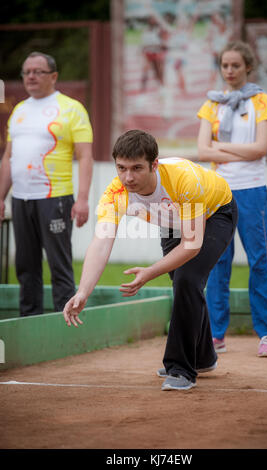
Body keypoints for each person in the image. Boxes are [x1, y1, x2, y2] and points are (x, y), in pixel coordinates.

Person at [63, 129, 238, 391]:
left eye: (136, 168)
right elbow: (101, 243)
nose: (128, 177)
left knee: (187, 279)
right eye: (121, 168)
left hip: (216, 213)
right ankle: (203, 358)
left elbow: (191, 245)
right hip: (171, 222)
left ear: (154, 164)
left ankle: (181, 369)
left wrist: (149, 272)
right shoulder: (116, 193)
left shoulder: (182, 179)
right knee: (184, 284)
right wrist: (83, 291)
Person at [197, 40, 267, 357]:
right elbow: (203, 152)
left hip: (252, 190)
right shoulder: (211, 104)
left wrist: (220, 150)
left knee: (259, 260)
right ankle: (217, 335)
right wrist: (223, 152)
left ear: (248, 67)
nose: (229, 71)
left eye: (235, 65)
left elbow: (261, 149)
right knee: (217, 263)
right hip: (217, 192)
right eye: (225, 65)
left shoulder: (260, 101)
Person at [0, 51, 93, 316]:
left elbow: (85, 156)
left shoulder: (72, 108)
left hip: (56, 199)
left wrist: (83, 199)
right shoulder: (18, 110)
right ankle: (30, 323)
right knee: (25, 267)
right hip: (21, 199)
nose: (30, 76)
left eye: (37, 71)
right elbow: (8, 157)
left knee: (59, 266)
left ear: (53, 76)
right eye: (26, 71)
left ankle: (64, 325)